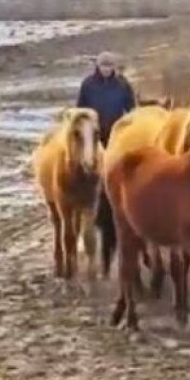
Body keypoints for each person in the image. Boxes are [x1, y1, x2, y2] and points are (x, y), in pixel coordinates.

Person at [77, 50, 136, 277]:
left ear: (115, 67)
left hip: (115, 136)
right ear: (97, 66)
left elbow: (132, 111)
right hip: (93, 136)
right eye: (103, 65)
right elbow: (80, 111)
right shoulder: (88, 85)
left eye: (109, 65)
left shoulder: (122, 85)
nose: (106, 68)